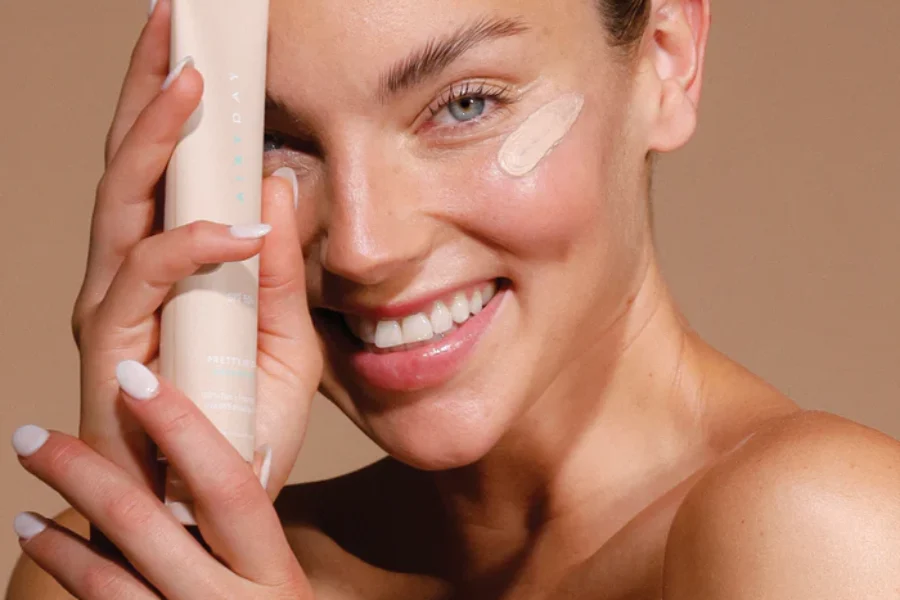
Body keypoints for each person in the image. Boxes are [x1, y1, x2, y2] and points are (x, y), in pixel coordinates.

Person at [8, 0, 900, 597]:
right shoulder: (143, 572)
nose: (363, 245)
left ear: (667, 56)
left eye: (466, 104)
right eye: (274, 143)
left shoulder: (819, 530)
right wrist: (174, 497)